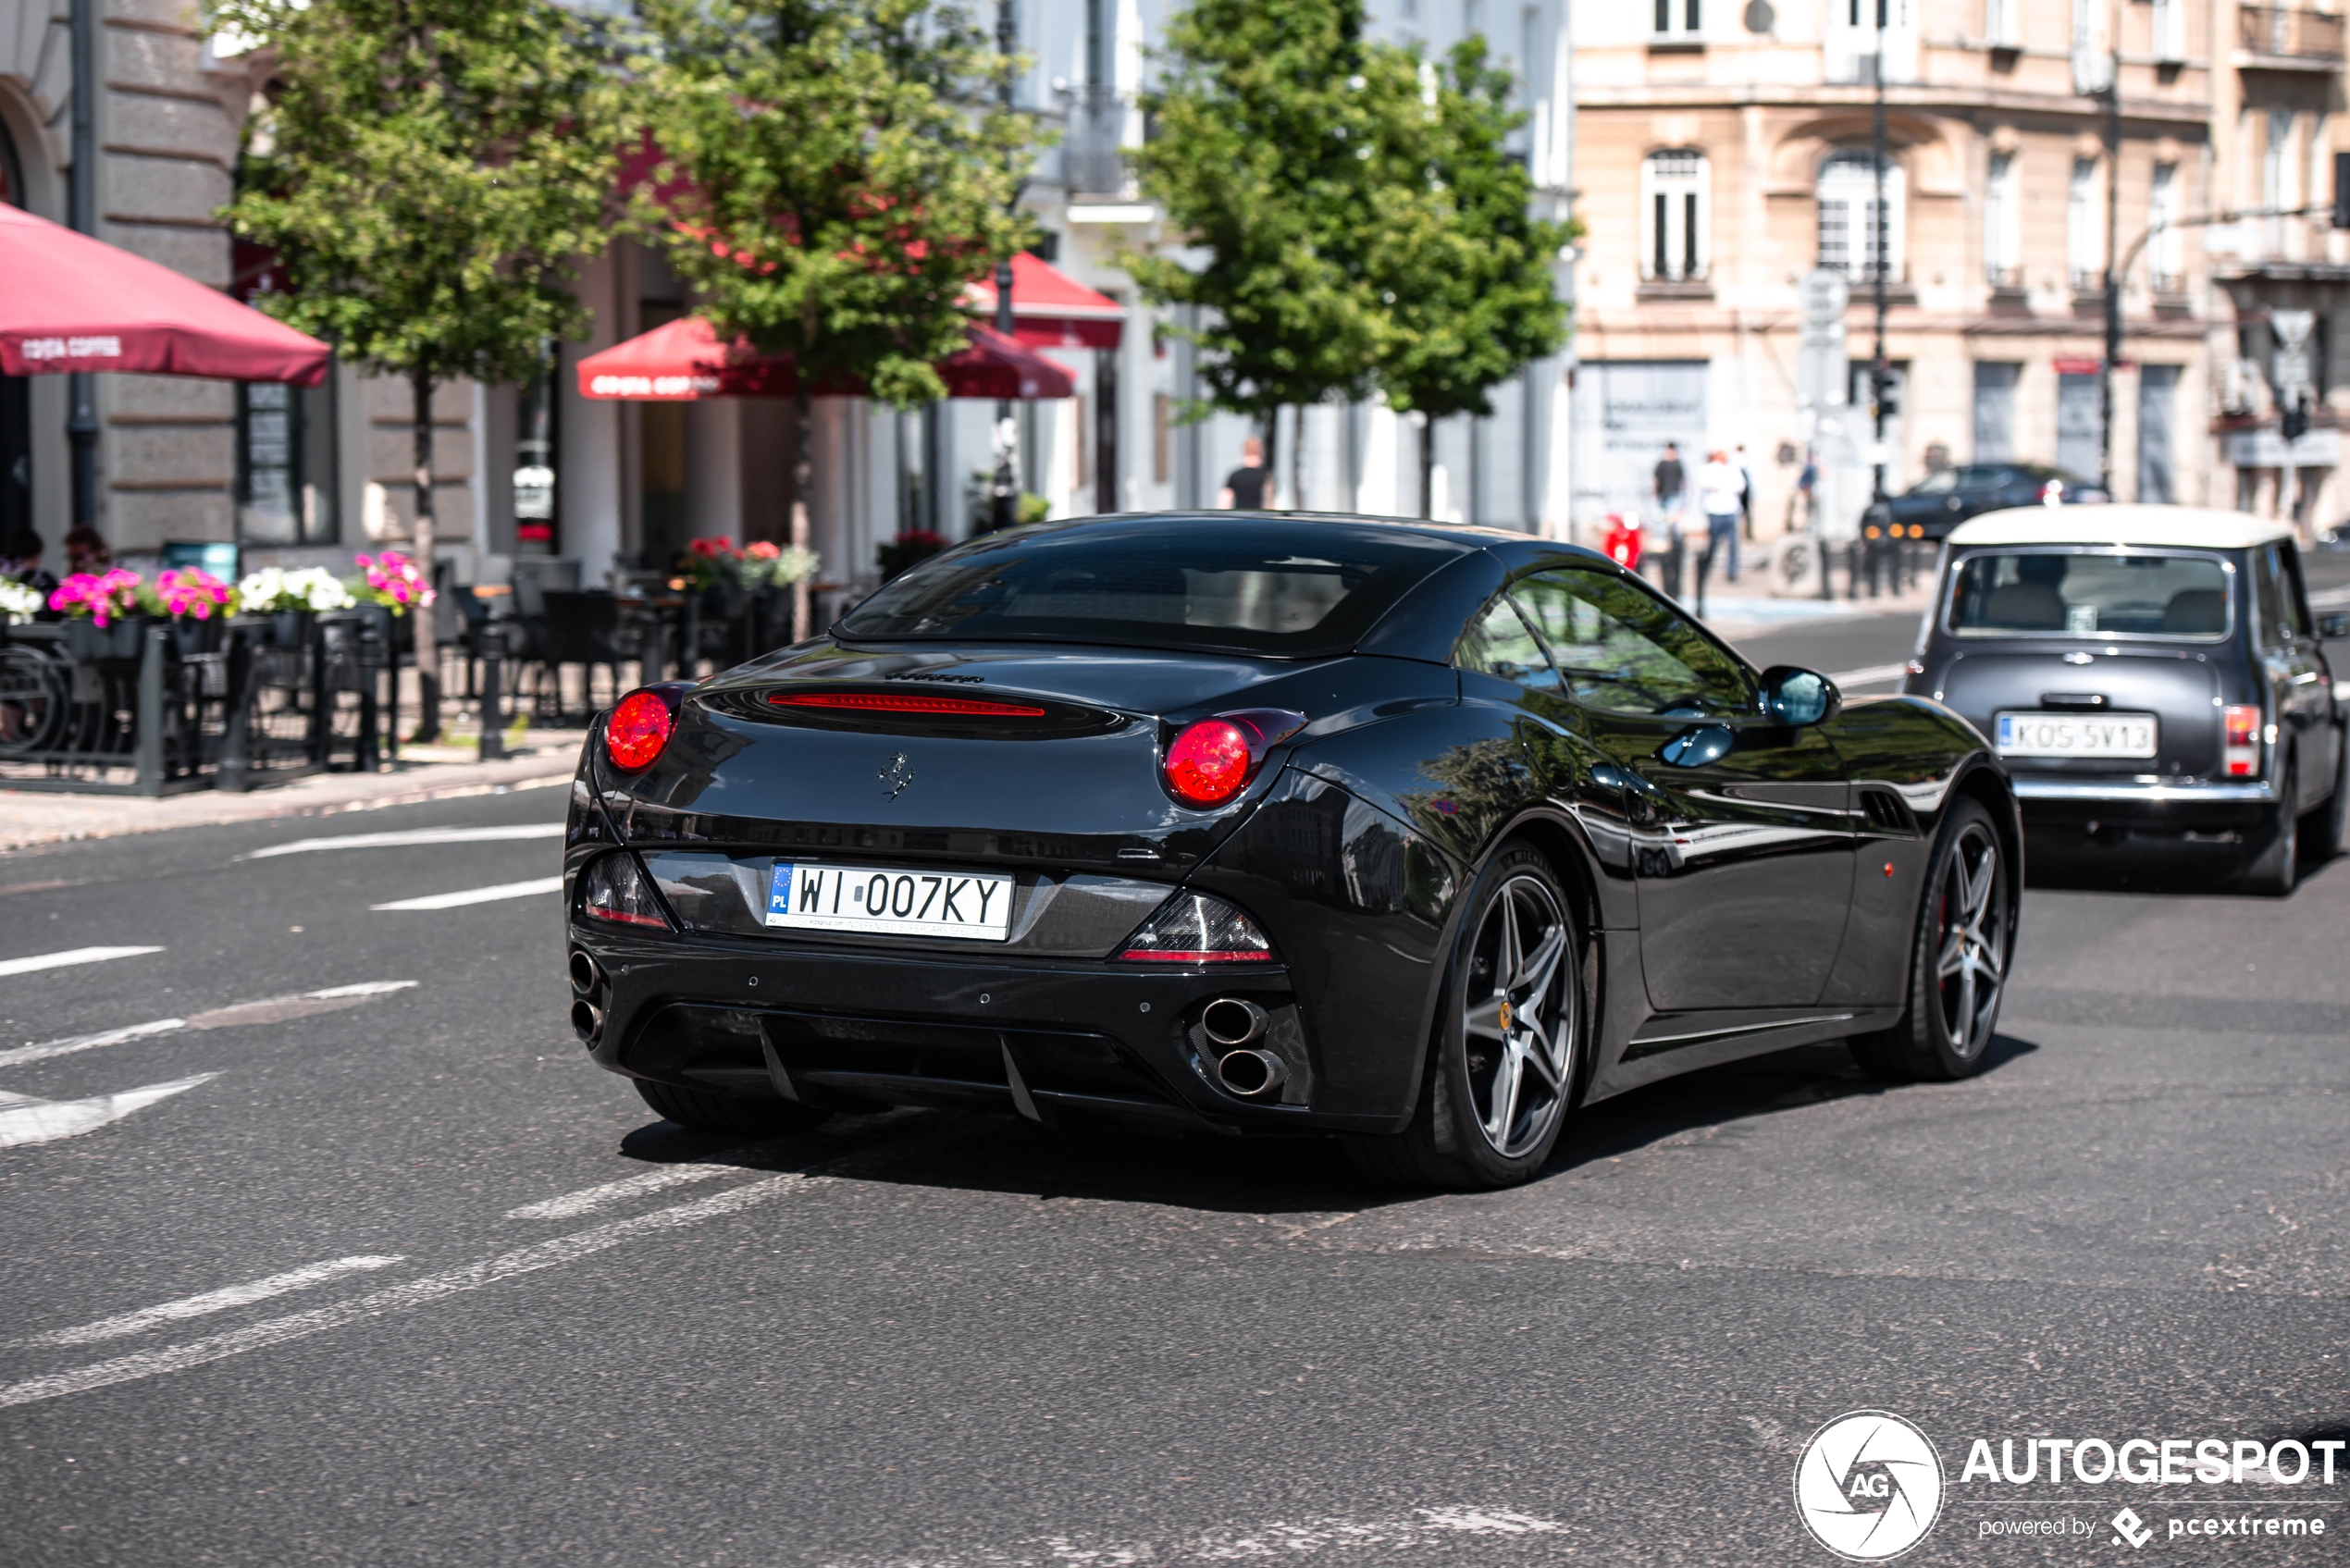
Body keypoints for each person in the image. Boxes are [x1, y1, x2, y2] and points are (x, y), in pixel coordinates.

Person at [1694, 449, 1742, 617]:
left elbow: (1740, 486)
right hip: (1716, 511)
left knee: (1732, 545)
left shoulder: (1731, 469)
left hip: (1728, 511)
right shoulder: (1709, 470)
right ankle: (1708, 570)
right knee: (1713, 547)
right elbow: (1707, 485)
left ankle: (1732, 572)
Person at [1651, 443, 1687, 596]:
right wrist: (1654, 494)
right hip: (1664, 496)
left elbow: (1683, 482)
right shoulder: (1662, 464)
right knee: (1663, 522)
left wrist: (1684, 502)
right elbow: (1656, 480)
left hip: (1674, 496)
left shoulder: (1678, 464)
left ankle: (1674, 542)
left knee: (1673, 523)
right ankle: (1664, 543)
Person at [1218, 438, 1269, 511]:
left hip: (1240, 519)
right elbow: (1269, 504)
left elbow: (1224, 504)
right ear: (1262, 452)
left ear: (1244, 451)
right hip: (1260, 519)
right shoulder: (1266, 476)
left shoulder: (1234, 475)